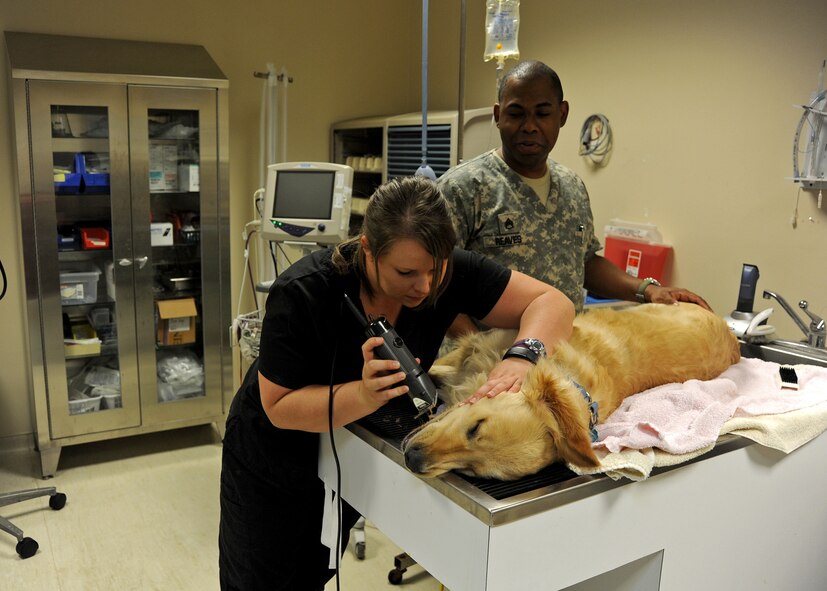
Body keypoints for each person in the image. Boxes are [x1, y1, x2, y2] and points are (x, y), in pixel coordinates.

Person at [218, 175, 575, 590]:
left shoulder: (449, 272)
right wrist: (363, 393)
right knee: (263, 579)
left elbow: (553, 302)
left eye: (434, 269)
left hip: (344, 452)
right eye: (406, 272)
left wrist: (522, 355)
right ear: (367, 248)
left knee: (313, 571)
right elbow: (278, 406)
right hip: (273, 458)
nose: (424, 287)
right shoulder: (304, 292)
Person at [438, 59, 709, 335]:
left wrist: (647, 290)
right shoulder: (462, 189)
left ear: (563, 114)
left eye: (542, 114)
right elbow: (432, 281)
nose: (529, 126)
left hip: (559, 356)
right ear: (498, 116)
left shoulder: (572, 188)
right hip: (483, 366)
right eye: (516, 114)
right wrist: (478, 350)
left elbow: (585, 262)